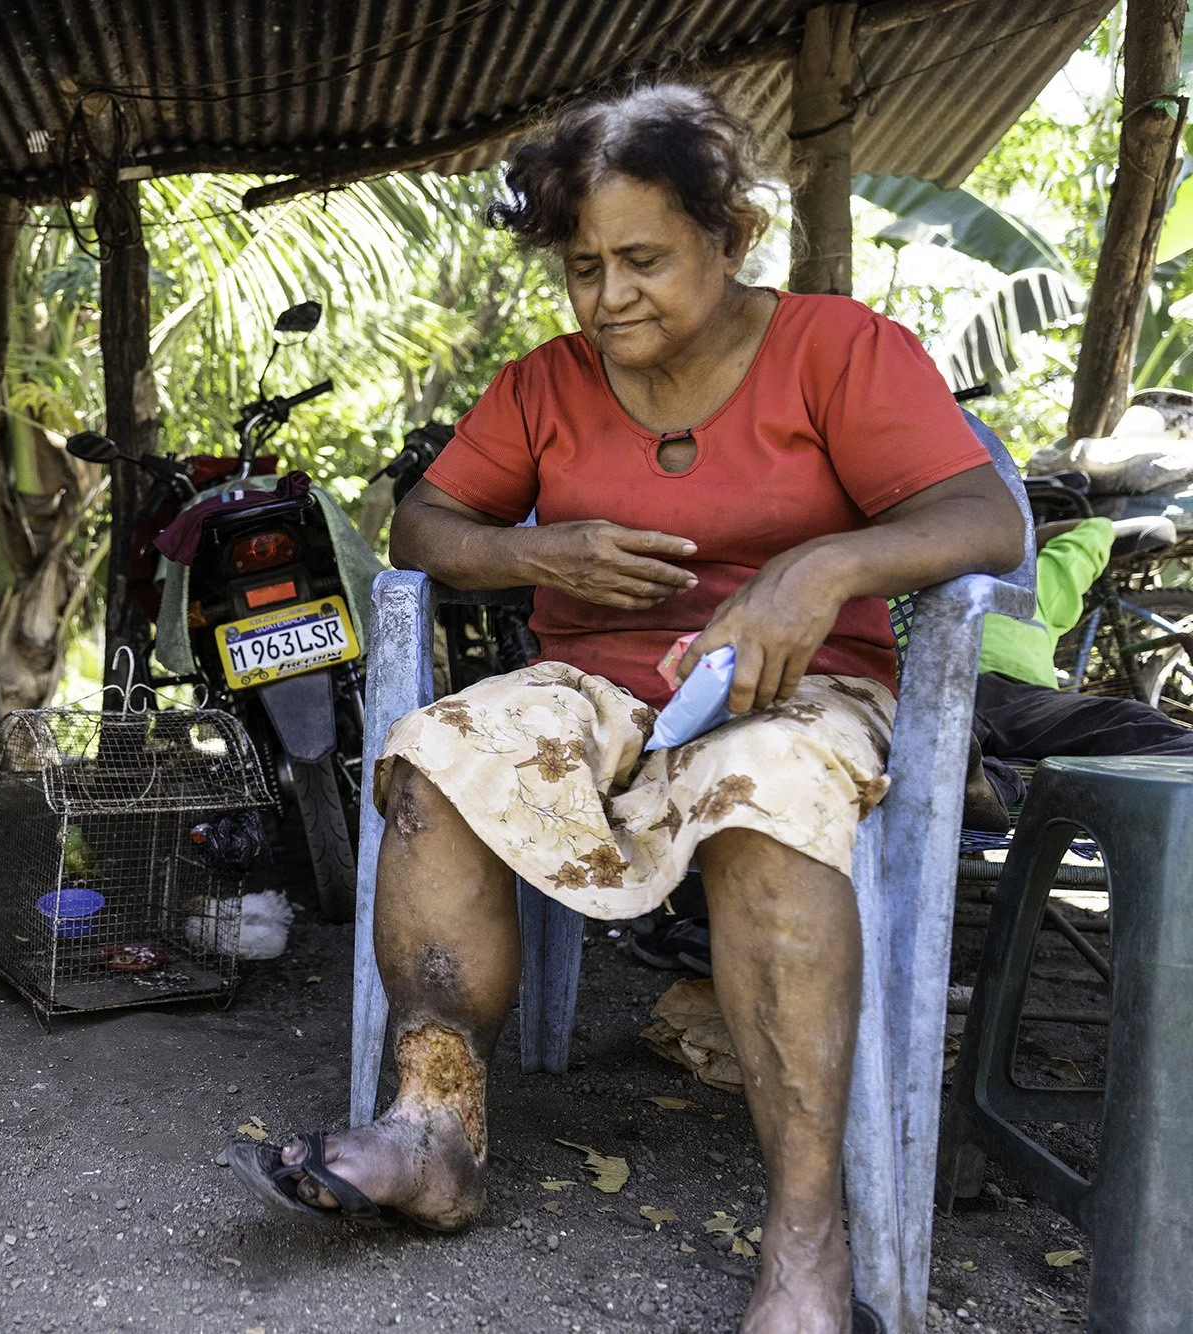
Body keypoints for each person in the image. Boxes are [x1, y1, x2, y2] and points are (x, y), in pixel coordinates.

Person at [226, 85, 1023, 1334]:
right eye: (583, 267)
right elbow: (423, 527)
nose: (608, 298)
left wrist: (816, 569)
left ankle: (803, 1244)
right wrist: (537, 553)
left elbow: (981, 518)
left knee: (772, 795)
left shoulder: (836, 350)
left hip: (797, 689)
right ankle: (433, 1127)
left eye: (641, 259)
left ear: (730, 234)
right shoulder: (544, 385)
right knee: (438, 753)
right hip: (594, 684)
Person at [964, 515, 1193, 826]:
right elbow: (1092, 529)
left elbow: (1091, 531)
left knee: (1133, 720)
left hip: (1013, 699)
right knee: (957, 735)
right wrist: (1020, 538)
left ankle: (982, 784)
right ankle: (985, 785)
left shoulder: (1032, 584)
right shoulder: (1032, 584)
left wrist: (1012, 540)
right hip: (996, 698)